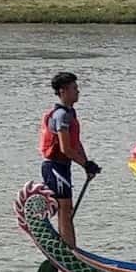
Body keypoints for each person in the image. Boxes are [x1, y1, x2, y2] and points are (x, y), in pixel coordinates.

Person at [39, 71, 100, 248]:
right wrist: (84, 163)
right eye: (74, 88)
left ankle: (70, 246)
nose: (78, 92)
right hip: (55, 166)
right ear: (63, 91)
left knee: (67, 208)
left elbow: (76, 143)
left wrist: (87, 165)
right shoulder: (61, 116)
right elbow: (66, 149)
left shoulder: (70, 113)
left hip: (63, 166)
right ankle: (68, 249)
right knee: (64, 209)